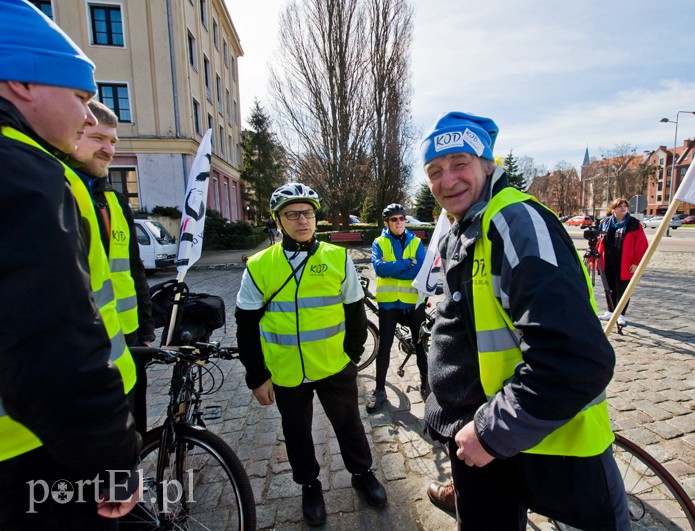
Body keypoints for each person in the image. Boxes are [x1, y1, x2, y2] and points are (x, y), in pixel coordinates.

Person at [420, 112, 629, 530]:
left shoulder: (514, 222)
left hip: (543, 443)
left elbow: (574, 361)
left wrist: (490, 432)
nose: (447, 180)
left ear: (488, 165)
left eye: (460, 163)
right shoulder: (461, 228)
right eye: (435, 171)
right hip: (480, 446)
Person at [0, 1, 140, 528]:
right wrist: (112, 458)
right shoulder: (24, 172)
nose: (88, 115)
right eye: (81, 97)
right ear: (24, 83)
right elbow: (50, 342)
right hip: (35, 454)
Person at [235, 183, 387, 526]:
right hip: (286, 370)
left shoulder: (337, 258)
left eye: (307, 213)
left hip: (335, 365)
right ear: (278, 220)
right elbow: (245, 325)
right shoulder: (259, 266)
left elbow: (355, 311)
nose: (302, 220)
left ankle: (362, 474)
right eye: (292, 214)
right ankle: (309, 485)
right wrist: (257, 376)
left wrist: (352, 354)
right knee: (297, 432)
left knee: (349, 425)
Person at [71, 99, 156, 437]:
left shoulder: (115, 201)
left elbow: (135, 270)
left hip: (129, 336)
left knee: (134, 426)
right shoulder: (57, 192)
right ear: (73, 133)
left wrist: (147, 330)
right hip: (84, 345)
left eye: (113, 142)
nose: (108, 150)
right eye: (97, 139)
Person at [366, 203, 428, 413]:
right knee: (384, 347)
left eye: (402, 218)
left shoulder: (416, 242)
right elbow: (380, 269)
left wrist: (395, 267)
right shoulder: (379, 242)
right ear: (387, 223)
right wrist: (405, 263)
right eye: (394, 219)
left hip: (412, 303)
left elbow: (417, 271)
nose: (399, 222)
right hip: (389, 303)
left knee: (420, 345)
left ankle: (425, 384)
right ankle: (380, 390)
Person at [596, 198, 649, 327]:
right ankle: (610, 310)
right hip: (608, 261)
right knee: (609, 288)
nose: (623, 208)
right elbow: (599, 242)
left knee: (623, 289)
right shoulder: (605, 223)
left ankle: (621, 314)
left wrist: (636, 263)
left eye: (625, 206)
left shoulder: (633, 224)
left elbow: (641, 245)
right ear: (613, 209)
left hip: (626, 262)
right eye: (620, 206)